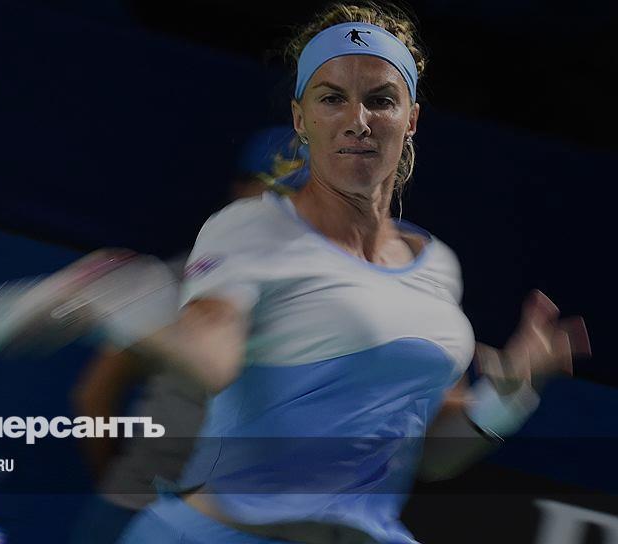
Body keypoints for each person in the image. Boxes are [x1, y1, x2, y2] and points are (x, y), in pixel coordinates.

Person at [98, 2, 591, 543]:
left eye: (381, 100)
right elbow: (212, 358)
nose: (358, 121)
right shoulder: (252, 227)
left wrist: (509, 396)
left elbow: (433, 458)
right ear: (301, 118)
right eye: (332, 98)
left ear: (411, 119)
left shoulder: (438, 267)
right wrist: (127, 305)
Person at [67, 127, 301, 544]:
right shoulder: (180, 280)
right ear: (238, 191)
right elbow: (94, 395)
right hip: (138, 506)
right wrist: (123, 488)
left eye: (295, 197)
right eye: (267, 191)